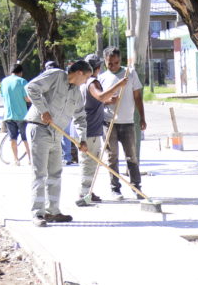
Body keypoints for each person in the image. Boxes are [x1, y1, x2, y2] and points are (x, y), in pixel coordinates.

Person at [24, 60, 91, 227]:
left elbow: (80, 118)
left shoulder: (76, 93)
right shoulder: (56, 75)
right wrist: (43, 110)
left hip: (57, 134)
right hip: (40, 129)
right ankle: (37, 213)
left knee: (55, 173)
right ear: (79, 73)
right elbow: (31, 88)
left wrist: (82, 139)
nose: (86, 82)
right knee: (40, 173)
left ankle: (52, 211)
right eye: (86, 77)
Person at [97, 47, 146, 198]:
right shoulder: (102, 78)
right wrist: (107, 101)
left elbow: (137, 97)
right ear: (105, 61)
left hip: (128, 122)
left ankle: (136, 187)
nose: (113, 66)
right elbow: (98, 100)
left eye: (116, 62)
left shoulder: (129, 73)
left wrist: (142, 117)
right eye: (109, 63)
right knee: (112, 157)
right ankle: (115, 188)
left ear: (120, 60)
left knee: (131, 155)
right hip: (109, 122)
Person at [76, 54, 109, 207]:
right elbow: (100, 96)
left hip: (84, 128)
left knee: (89, 162)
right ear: (97, 68)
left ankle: (87, 191)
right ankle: (84, 194)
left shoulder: (81, 83)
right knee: (89, 163)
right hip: (90, 129)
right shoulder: (92, 82)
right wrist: (120, 85)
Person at [0, 64, 31, 166]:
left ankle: (16, 159)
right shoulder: (22, 81)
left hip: (9, 114)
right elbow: (27, 98)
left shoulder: (4, 82)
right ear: (20, 72)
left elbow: (3, 96)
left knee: (13, 138)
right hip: (22, 115)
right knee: (26, 138)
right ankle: (30, 159)